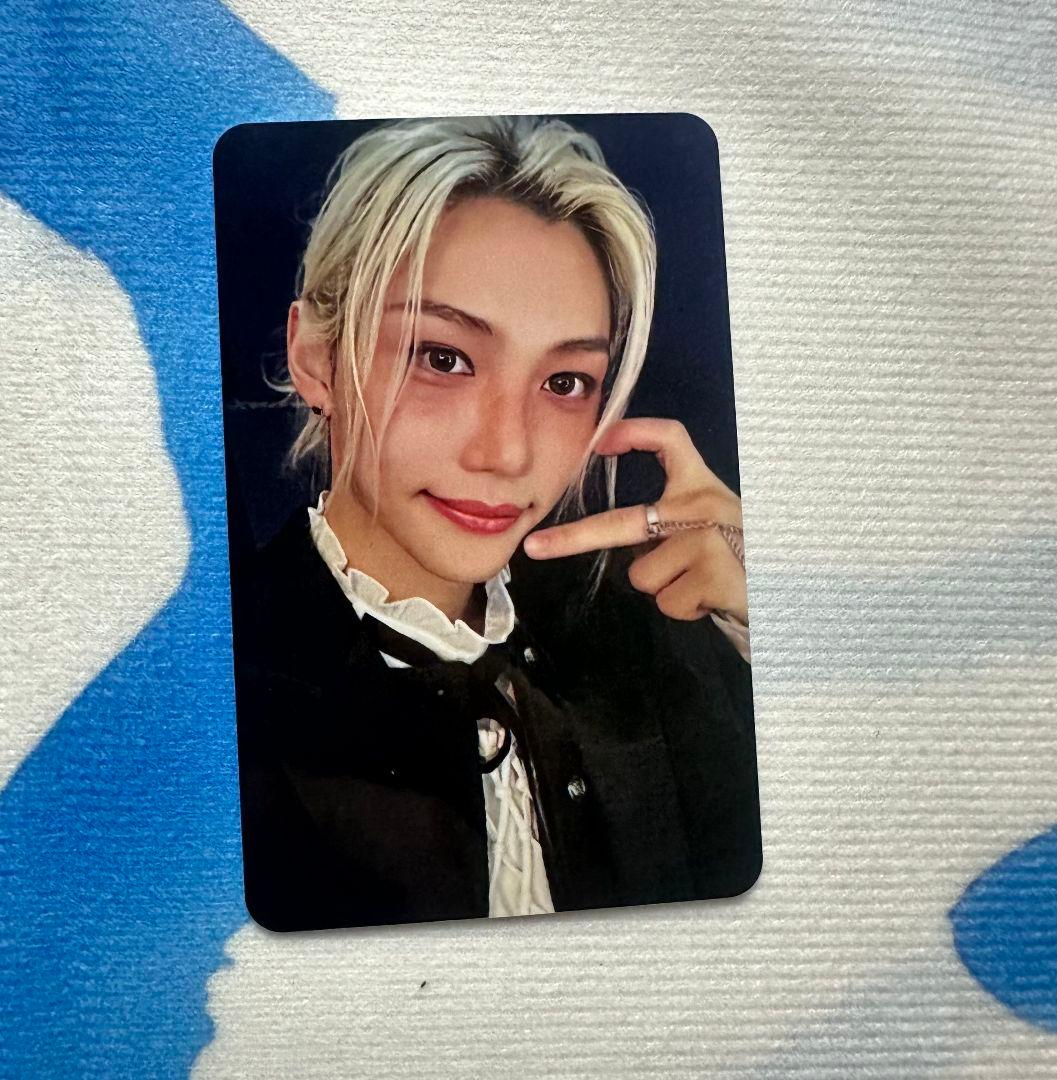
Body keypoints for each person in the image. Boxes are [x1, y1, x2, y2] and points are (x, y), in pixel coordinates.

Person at [228, 115, 761, 932]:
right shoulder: (214, 685)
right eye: (443, 358)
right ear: (315, 360)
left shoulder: (661, 647)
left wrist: (765, 623)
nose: (508, 453)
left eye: (565, 382)